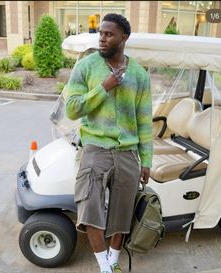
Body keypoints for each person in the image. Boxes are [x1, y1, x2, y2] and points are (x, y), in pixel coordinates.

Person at [65, 13, 153, 273]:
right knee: (89, 205)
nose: (102, 39)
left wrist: (146, 160)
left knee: (123, 211)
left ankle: (113, 262)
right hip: (94, 149)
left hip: (127, 153)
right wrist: (104, 87)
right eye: (100, 33)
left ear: (124, 38)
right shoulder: (86, 67)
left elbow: (145, 122)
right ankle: (104, 266)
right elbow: (71, 109)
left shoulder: (139, 75)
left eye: (109, 34)